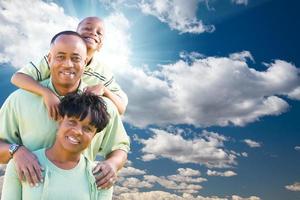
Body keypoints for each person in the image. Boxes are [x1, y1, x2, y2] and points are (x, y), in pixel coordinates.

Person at [0, 31, 130, 195]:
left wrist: (113, 164)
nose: (68, 64)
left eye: (76, 58)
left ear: (85, 63)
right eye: (60, 57)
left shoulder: (103, 107)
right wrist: (16, 150)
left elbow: (119, 146)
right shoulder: (19, 100)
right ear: (49, 59)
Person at [11, 16, 127, 119]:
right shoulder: (55, 59)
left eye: (99, 33)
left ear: (100, 46)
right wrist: (46, 93)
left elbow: (121, 108)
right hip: (43, 113)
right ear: (75, 35)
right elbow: (17, 77)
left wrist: (104, 90)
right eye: (87, 28)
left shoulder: (103, 72)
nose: (93, 33)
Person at [1, 92, 112, 200]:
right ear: (60, 122)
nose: (78, 131)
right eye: (72, 122)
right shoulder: (21, 165)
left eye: (88, 129)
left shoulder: (101, 176)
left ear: (94, 136)